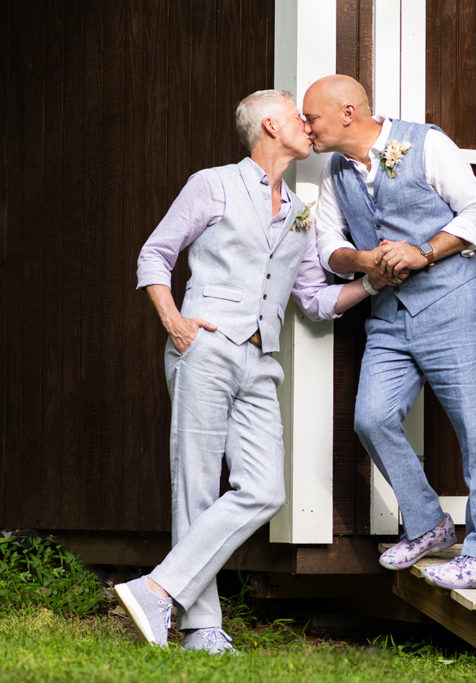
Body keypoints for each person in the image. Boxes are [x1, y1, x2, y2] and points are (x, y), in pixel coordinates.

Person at [117, 89, 386, 652]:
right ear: (270, 124)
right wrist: (175, 321)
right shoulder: (212, 184)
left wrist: (371, 283)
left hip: (261, 360)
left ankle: (158, 589)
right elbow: (154, 254)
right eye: (297, 117)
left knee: (264, 489)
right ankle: (202, 629)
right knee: (194, 485)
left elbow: (312, 299)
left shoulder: (300, 208)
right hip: (207, 347)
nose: (308, 125)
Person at [303, 75, 476, 589]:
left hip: (452, 304)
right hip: (389, 316)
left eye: (313, 117)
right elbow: (329, 244)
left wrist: (423, 251)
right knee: (372, 418)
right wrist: (362, 259)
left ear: (348, 112)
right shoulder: (335, 170)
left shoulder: (427, 143)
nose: (307, 127)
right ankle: (428, 524)